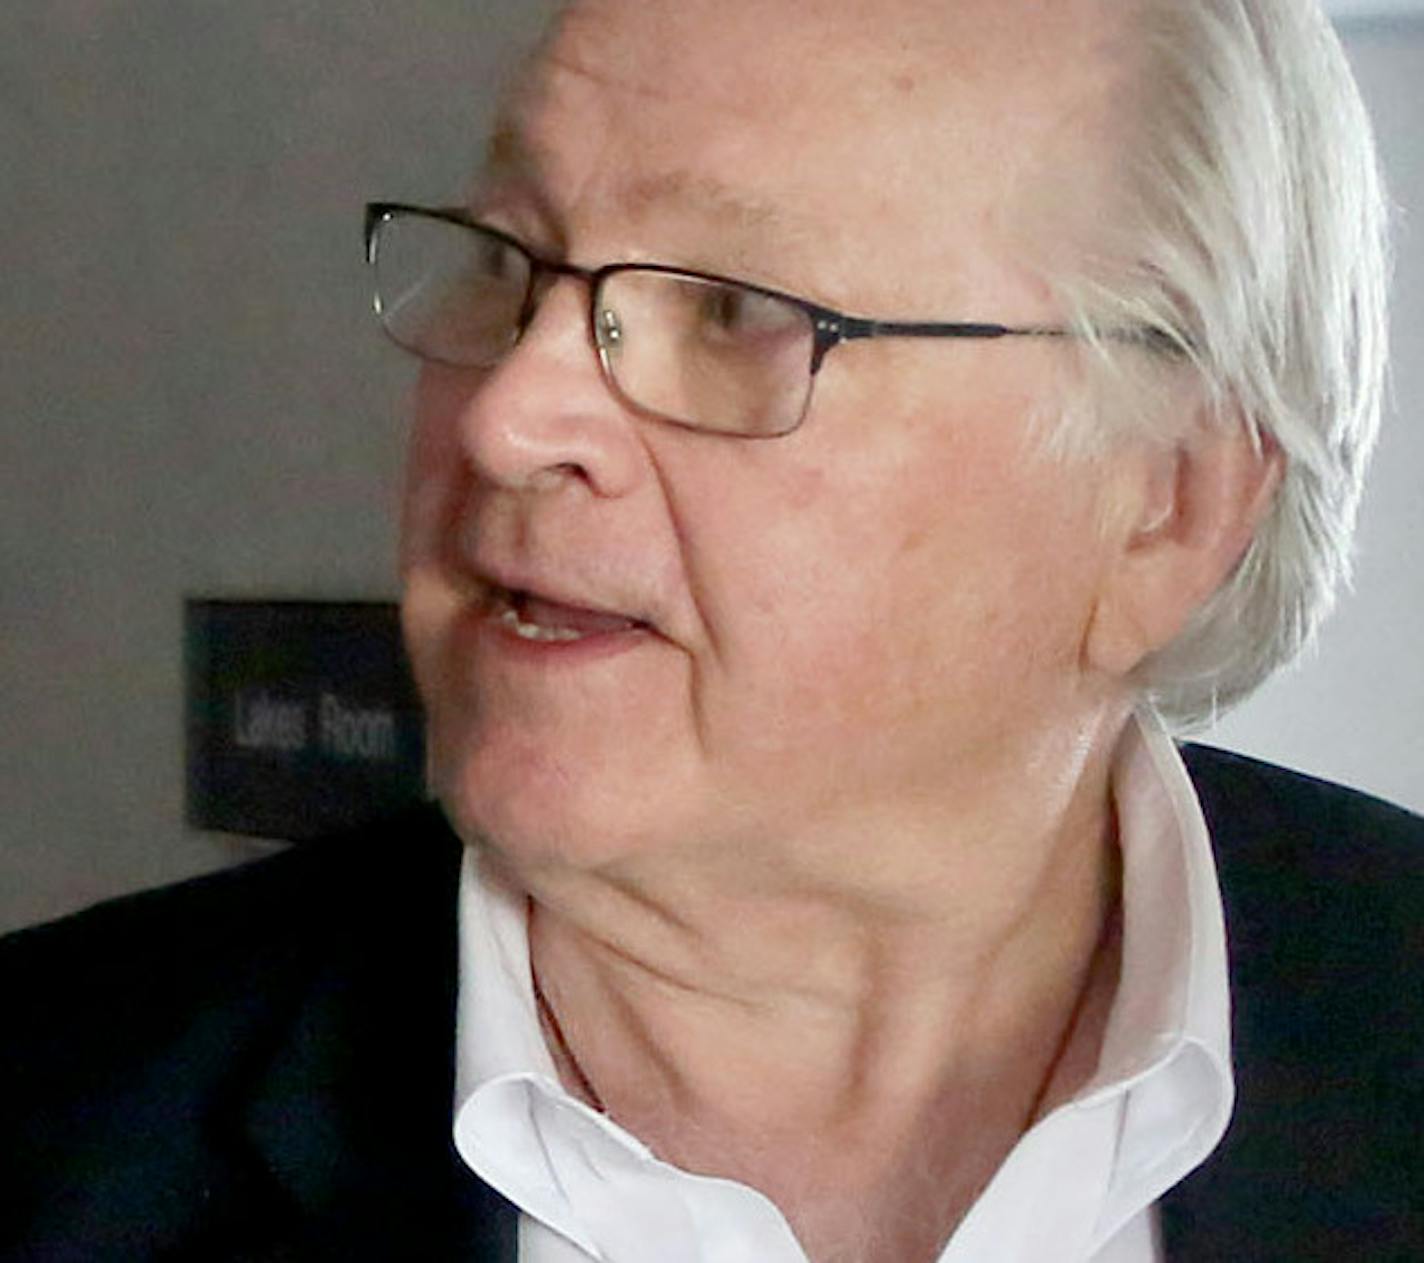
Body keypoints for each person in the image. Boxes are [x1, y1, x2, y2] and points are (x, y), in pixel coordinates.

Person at [2, 0, 1420, 1260]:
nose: (507, 417)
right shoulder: (50, 1126)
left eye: (736, 310)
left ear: (1165, 511)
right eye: (508, 264)